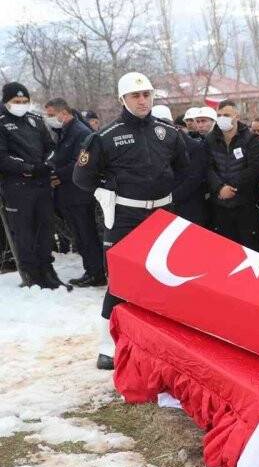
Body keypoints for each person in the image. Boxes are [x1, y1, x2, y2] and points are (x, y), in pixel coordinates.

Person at [73, 72, 188, 370]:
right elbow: (82, 177)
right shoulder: (105, 136)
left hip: (162, 215)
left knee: (163, 277)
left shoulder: (168, 132)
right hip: (125, 216)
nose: (142, 100)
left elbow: (183, 169)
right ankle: (107, 347)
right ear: (123, 99)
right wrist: (106, 192)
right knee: (120, 281)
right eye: (135, 96)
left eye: (146, 94)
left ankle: (162, 341)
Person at [0, 83, 63, 289]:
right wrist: (27, 168)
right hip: (17, 186)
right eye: (16, 102)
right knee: (24, 231)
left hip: (42, 184)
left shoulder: (35, 120)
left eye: (24, 101)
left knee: (45, 228)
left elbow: (52, 147)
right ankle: (31, 274)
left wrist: (47, 164)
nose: (21, 104)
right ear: (6, 102)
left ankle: (47, 268)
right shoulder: (1, 123)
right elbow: (2, 157)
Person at [44, 98, 105, 287]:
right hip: (69, 194)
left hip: (78, 193)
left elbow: (80, 163)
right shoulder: (65, 131)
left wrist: (57, 175)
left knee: (86, 235)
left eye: (51, 115)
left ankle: (96, 273)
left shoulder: (80, 132)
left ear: (63, 113)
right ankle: (92, 269)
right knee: (81, 235)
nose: (49, 119)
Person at [204, 101, 259, 252]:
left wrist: (232, 187)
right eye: (219, 115)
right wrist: (219, 188)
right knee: (224, 250)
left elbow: (255, 168)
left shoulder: (250, 139)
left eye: (226, 115)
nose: (222, 118)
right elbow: (207, 167)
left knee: (249, 249)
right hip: (219, 205)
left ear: (236, 116)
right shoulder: (210, 139)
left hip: (244, 204)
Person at [153, 105, 208, 227]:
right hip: (162, 210)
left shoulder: (194, 147)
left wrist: (170, 197)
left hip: (189, 211)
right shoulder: (153, 148)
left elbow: (194, 179)